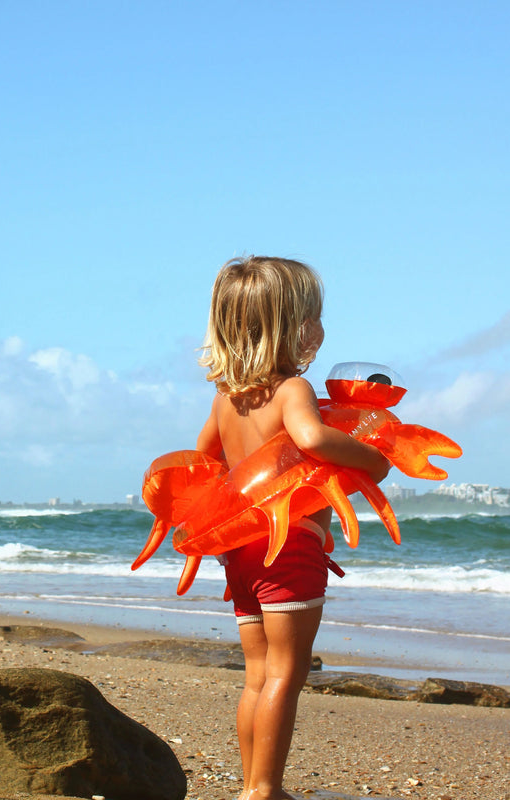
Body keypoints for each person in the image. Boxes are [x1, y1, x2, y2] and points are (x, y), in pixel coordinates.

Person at [196, 256, 389, 800]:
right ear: (296, 327)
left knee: (257, 674)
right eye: (315, 315)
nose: (321, 327)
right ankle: (266, 790)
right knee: (286, 673)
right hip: (291, 547)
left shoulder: (227, 398)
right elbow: (311, 439)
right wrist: (374, 462)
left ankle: (250, 786)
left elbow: (206, 461)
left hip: (241, 553)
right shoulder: (290, 391)